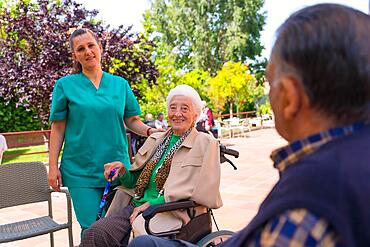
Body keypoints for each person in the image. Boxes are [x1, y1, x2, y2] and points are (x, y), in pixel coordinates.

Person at [128, 3, 370, 247]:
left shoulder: (307, 204)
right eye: (173, 108)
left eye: (270, 83)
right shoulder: (347, 162)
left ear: (289, 96)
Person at [79, 84, 222, 247]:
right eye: (173, 108)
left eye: (184, 109)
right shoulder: (157, 139)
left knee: (136, 242)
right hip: (135, 205)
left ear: (195, 115)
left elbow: (204, 193)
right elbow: (134, 182)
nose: (177, 113)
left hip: (171, 212)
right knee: (95, 234)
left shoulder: (206, 143)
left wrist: (153, 203)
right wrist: (123, 172)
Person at [48, 28, 157, 235]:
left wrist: (151, 131)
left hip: (119, 170)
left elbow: (131, 120)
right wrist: (52, 166)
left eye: (91, 45)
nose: (88, 51)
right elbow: (58, 126)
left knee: (120, 227)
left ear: (100, 48)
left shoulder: (120, 84)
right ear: (75, 56)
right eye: (81, 49)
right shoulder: (65, 86)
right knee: (92, 229)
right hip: (81, 171)